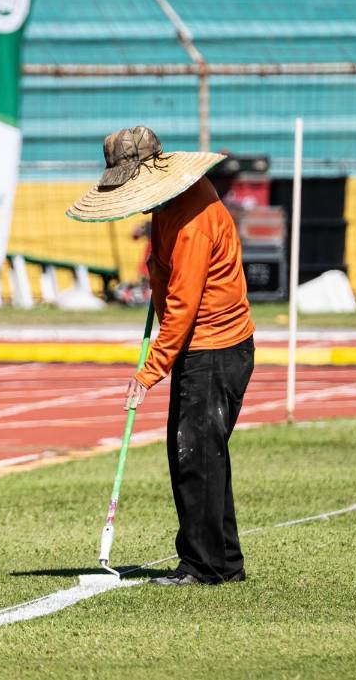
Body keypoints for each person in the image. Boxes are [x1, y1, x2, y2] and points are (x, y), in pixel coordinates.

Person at [67, 126, 256, 586]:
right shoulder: (171, 204)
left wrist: (149, 371)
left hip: (214, 346)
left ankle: (204, 567)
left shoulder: (191, 218)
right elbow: (168, 283)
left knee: (195, 457)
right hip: (204, 346)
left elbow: (184, 307)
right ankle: (223, 561)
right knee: (202, 455)